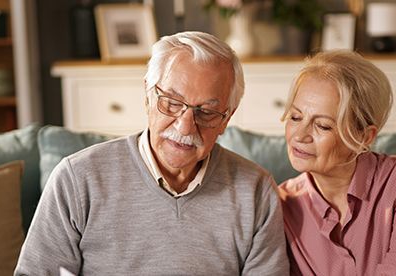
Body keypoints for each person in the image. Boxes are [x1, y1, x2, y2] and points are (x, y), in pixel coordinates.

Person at [15, 31, 289, 275]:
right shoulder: (77, 178)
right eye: (171, 102)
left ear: (226, 119)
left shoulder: (257, 191)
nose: (185, 126)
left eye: (205, 112)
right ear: (147, 96)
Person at [278, 50, 396, 275]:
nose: (300, 135)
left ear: (364, 137)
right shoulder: (280, 205)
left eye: (322, 125)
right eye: (295, 117)